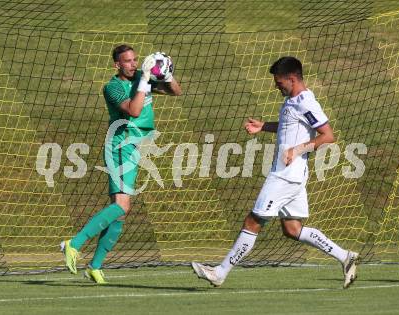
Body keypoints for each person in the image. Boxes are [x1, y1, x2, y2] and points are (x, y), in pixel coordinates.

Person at [192, 56, 359, 289]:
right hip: (291, 174)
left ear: (292, 78)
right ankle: (345, 256)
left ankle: (219, 272)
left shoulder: (305, 101)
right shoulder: (293, 101)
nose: (275, 86)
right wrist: (264, 126)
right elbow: (291, 125)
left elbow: (327, 135)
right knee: (292, 229)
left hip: (285, 176)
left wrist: (298, 149)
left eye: (279, 82)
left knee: (253, 220)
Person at [61, 44, 182, 284]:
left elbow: (176, 91)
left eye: (136, 60)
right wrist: (146, 80)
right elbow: (134, 111)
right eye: (128, 61)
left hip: (136, 147)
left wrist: (166, 73)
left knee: (120, 214)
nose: (134, 64)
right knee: (122, 206)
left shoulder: (140, 77)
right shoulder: (113, 87)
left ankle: (94, 266)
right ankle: (73, 244)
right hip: (120, 145)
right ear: (117, 64)